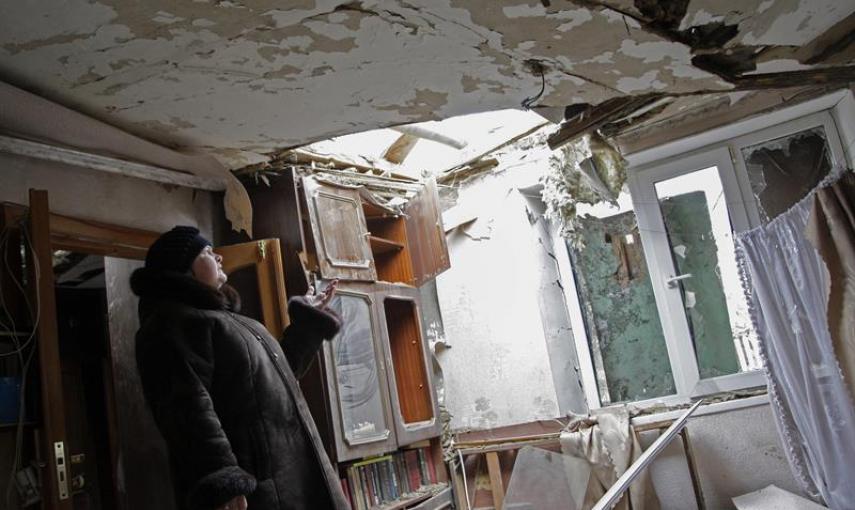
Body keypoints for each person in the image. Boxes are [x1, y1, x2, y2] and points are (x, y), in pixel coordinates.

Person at [131, 226, 350, 510]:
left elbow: (279, 376)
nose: (219, 258)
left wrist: (308, 320)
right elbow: (187, 409)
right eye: (208, 252)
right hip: (258, 489)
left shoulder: (226, 319)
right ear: (183, 267)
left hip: (292, 472)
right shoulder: (170, 324)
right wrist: (223, 480)